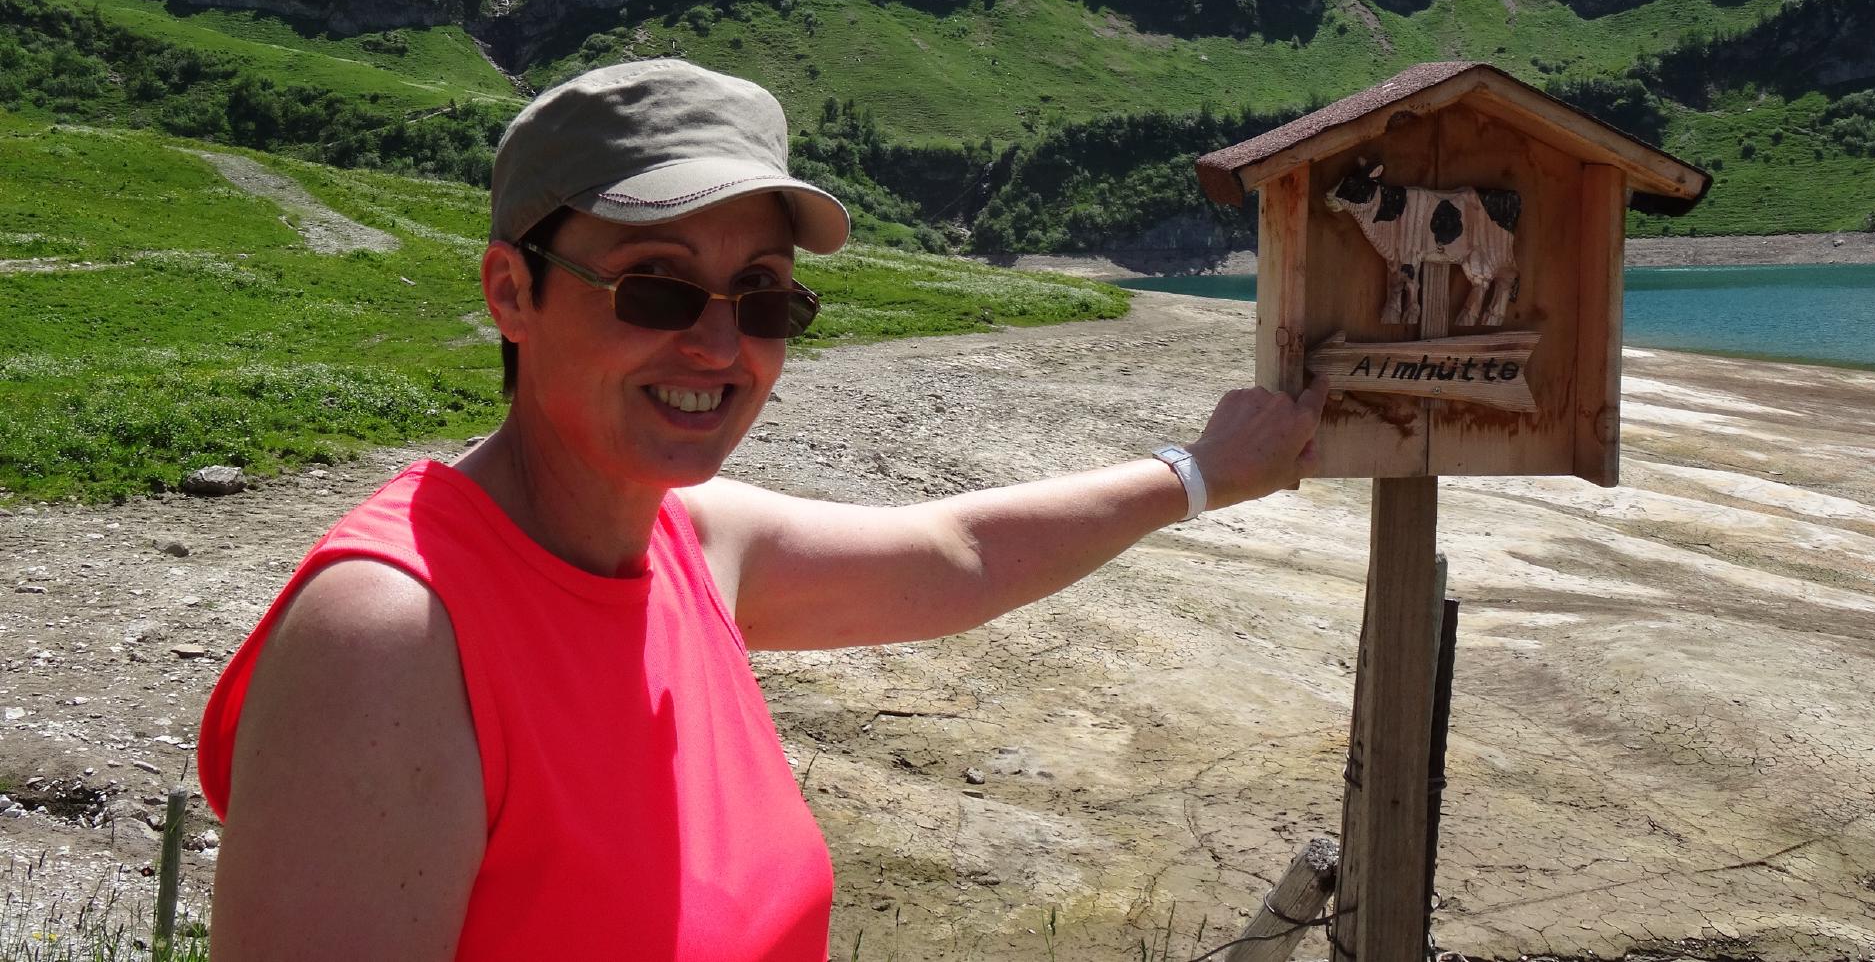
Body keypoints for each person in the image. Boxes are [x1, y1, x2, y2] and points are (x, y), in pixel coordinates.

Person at [198, 58, 1330, 961]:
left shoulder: (687, 543)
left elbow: (961, 554)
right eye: (655, 284)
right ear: (511, 291)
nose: (719, 343)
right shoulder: (393, 638)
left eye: (763, 294)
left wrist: (1201, 472)